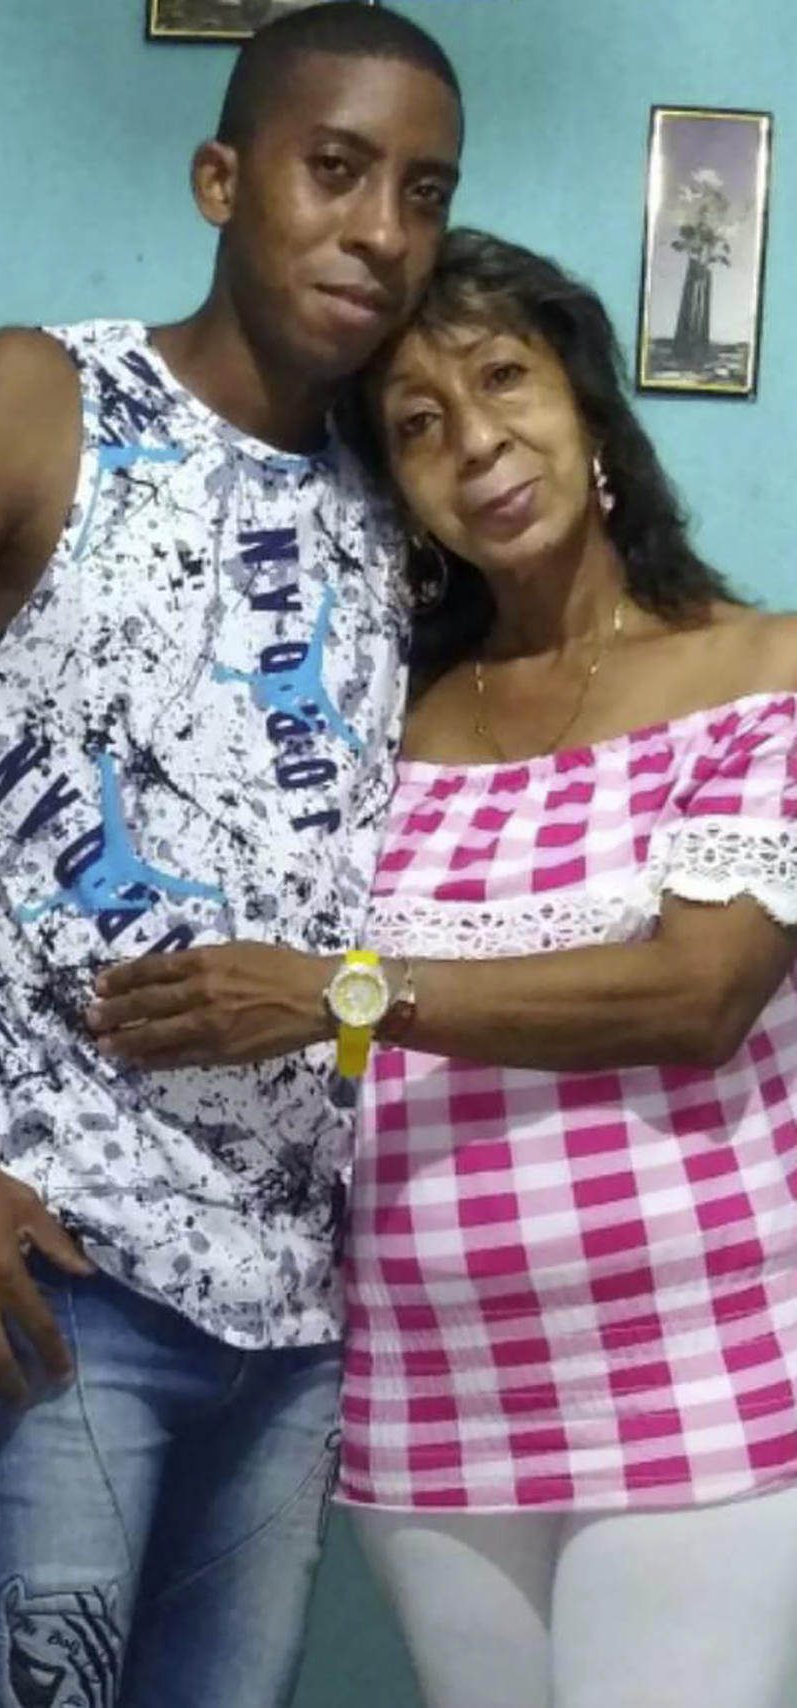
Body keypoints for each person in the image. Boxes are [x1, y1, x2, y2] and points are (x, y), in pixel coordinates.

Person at [39, 230, 797, 1708]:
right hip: (431, 1392)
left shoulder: (760, 673)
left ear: (588, 412)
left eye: (505, 379)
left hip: (697, 1371)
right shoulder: (385, 723)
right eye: (417, 425)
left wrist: (351, 995)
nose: (478, 442)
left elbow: (696, 998)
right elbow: (213, 927)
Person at [0, 7, 463, 1705]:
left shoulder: (402, 509)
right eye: (336, 171)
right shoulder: (36, 397)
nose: (381, 232)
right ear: (221, 176)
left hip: (299, 1328)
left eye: (423, 191)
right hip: (49, 1279)